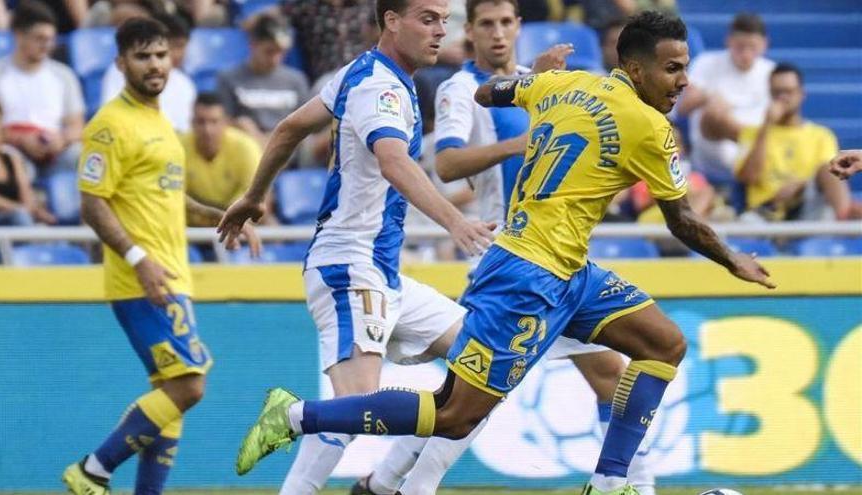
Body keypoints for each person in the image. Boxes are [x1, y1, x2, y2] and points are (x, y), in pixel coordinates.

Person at [232, 11, 776, 495]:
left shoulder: (562, 84)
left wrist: (533, 81)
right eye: (673, 69)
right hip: (525, 276)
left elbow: (488, 94)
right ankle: (300, 416)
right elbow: (680, 219)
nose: (683, 81)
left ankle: (611, 483)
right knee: (453, 415)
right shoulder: (651, 127)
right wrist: (734, 260)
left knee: (664, 343)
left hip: (567, 272)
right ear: (636, 71)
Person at [352, 2, 653, 493]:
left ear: (519, 27)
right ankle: (393, 484)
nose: (497, 33)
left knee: (597, 376)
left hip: (555, 262)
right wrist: (528, 140)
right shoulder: (461, 90)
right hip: (510, 260)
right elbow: (447, 164)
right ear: (469, 31)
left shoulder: (540, 85)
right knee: (477, 397)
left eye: (506, 23)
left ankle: (383, 483)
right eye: (486, 24)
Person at [217, 0, 495, 491]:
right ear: (391, 20)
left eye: (444, 21)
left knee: (484, 364)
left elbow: (288, 129)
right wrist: (456, 221)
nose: (440, 31)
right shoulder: (379, 86)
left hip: (382, 271)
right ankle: (296, 416)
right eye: (427, 18)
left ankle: (382, 484)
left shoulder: (363, 72)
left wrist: (253, 196)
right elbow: (393, 160)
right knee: (354, 408)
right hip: (348, 265)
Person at [60, 18, 259, 495]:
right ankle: (93, 470)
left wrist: (221, 215)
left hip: (173, 276)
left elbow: (174, 201)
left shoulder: (162, 125)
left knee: (171, 394)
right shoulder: (109, 125)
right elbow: (92, 202)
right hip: (141, 279)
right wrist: (137, 259)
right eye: (142, 56)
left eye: (161, 55)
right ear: (121, 63)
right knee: (190, 386)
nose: (154, 64)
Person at [725, 64, 860, 221]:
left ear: (801, 94)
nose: (782, 97)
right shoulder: (752, 133)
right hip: (766, 211)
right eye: (776, 92)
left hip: (807, 207)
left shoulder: (822, 135)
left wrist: (800, 186)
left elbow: (831, 176)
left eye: (788, 91)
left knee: (827, 171)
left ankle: (844, 223)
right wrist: (766, 125)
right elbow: (749, 178)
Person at [0, 0, 85, 177]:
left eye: (51, 39)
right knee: (13, 162)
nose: (47, 45)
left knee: (83, 155)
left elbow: (77, 125)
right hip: (11, 150)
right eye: (39, 38)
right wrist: (21, 140)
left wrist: (61, 139)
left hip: (56, 151)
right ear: (19, 35)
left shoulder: (64, 75)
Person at [676, 13, 774, 185]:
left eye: (753, 47)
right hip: (714, 146)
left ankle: (751, 147)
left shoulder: (772, 72)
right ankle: (751, 146)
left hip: (758, 146)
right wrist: (707, 96)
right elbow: (681, 109)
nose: (746, 53)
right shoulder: (706, 63)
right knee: (715, 110)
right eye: (740, 46)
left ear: (764, 45)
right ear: (729, 41)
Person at [217, 13, 309, 147]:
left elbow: (306, 125)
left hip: (290, 148)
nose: (275, 59)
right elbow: (224, 122)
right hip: (248, 149)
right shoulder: (228, 78)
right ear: (253, 45)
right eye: (269, 51)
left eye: (281, 52)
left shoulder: (297, 80)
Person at [182, 93, 273, 222]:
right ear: (192, 122)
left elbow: (261, 200)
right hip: (192, 227)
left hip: (237, 225)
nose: (208, 130)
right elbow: (171, 198)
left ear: (226, 122)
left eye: (214, 121)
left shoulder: (245, 147)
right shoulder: (179, 148)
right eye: (201, 121)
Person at [101, 12, 196, 132]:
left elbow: (187, 130)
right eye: (174, 46)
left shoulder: (184, 83)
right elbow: (112, 118)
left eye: (182, 47)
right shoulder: (120, 72)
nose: (178, 54)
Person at [0, 94, 56, 225]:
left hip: (15, 221)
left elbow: (26, 194)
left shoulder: (11, 158)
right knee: (19, 217)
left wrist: (31, 210)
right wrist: (21, 210)